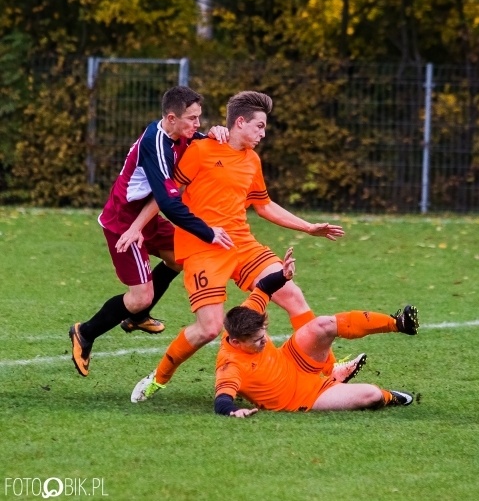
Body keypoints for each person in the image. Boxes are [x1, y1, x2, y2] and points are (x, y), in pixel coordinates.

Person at [130, 90, 351, 402]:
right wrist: (137, 227)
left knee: (292, 294)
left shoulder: (252, 160)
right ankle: (159, 378)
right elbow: (167, 194)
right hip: (203, 248)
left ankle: (329, 370)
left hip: (242, 244)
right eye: (259, 126)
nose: (263, 133)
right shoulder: (201, 150)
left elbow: (264, 206)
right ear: (241, 122)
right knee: (209, 328)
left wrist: (308, 227)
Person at [69, 86, 233, 377]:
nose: (197, 124)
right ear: (171, 118)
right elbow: (169, 203)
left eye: (199, 118)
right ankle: (85, 332)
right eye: (191, 119)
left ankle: (138, 318)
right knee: (139, 296)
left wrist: (218, 131)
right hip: (123, 221)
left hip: (145, 217)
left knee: (178, 258)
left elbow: (201, 143)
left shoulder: (179, 135)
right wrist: (207, 232)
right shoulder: (156, 145)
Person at [213, 255, 418, 416]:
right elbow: (222, 398)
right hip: (301, 396)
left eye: (264, 335)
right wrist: (233, 411)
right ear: (236, 342)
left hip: (292, 358)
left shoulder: (245, 315)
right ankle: (389, 396)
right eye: (257, 341)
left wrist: (283, 275)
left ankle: (397, 323)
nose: (264, 340)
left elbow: (263, 288)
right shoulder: (230, 366)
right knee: (371, 394)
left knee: (322, 324)